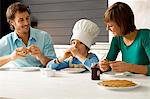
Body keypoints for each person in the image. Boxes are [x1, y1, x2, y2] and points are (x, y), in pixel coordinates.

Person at [99, 2, 150, 75]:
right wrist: (105, 66)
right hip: (128, 82)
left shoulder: (145, 36)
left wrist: (129, 67)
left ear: (122, 23)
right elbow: (109, 62)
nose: (107, 29)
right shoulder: (117, 39)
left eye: (110, 26)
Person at [0, 2, 56, 67]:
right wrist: (11, 57)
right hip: (17, 76)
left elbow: (54, 64)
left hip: (40, 76)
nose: (26, 23)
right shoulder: (7, 40)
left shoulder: (44, 36)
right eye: (21, 20)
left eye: (27, 18)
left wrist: (40, 56)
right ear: (12, 22)